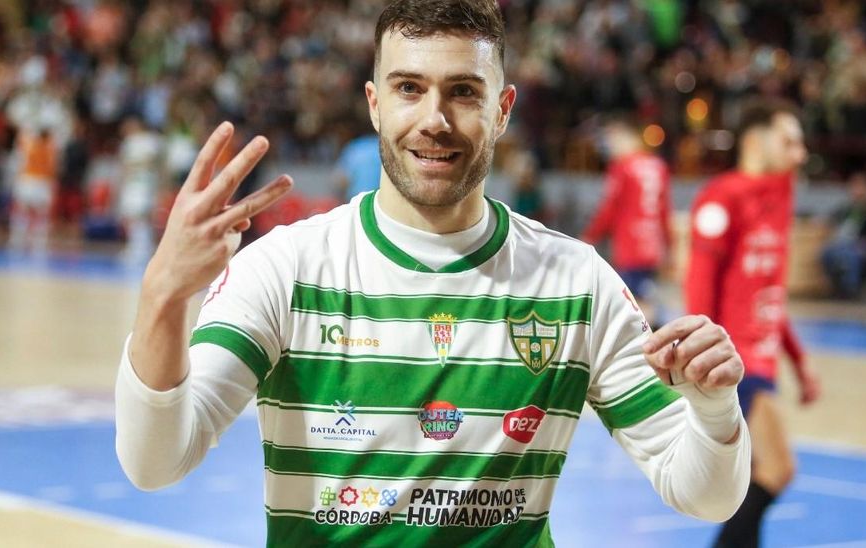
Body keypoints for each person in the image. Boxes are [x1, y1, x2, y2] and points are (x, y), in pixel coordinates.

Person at [115, 1, 752, 545]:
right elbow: (156, 461)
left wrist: (715, 410)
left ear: (503, 109)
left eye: (463, 91)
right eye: (409, 88)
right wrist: (163, 296)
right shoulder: (287, 268)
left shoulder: (574, 282)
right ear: (374, 103)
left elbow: (705, 497)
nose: (434, 120)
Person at [686, 99, 821, 548]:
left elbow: (770, 297)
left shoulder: (778, 198)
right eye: (789, 141)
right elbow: (699, 294)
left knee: (765, 475)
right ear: (755, 141)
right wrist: (701, 367)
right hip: (733, 363)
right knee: (774, 471)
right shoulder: (723, 197)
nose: (800, 153)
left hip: (761, 363)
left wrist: (800, 364)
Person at [582, 115, 674, 328]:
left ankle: (646, 348)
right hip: (652, 245)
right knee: (643, 296)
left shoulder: (623, 167)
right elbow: (664, 211)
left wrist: (589, 235)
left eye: (612, 140)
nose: (609, 147)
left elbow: (610, 207)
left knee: (631, 303)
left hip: (630, 245)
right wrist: (668, 246)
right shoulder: (657, 166)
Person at [819, 172, 866, 299]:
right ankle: (834, 287)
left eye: (860, 187)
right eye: (854, 187)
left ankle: (850, 289)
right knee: (827, 252)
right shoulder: (847, 208)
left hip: (865, 245)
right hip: (844, 243)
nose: (857, 190)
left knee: (851, 256)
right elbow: (833, 220)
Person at [116, 116, 163, 261]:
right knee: (132, 217)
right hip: (131, 184)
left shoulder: (151, 141)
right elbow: (124, 164)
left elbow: (154, 162)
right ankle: (136, 247)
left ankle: (143, 248)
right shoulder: (128, 143)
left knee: (142, 216)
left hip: (145, 184)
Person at [9, 129, 58, 253]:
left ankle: (20, 237)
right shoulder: (49, 148)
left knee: (26, 210)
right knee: (38, 212)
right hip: (38, 181)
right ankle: (36, 239)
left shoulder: (30, 144)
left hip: (30, 180)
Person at [333, 126, 382, 202]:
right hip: (380, 202)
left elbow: (341, 180)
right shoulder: (384, 149)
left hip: (356, 201)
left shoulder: (354, 147)